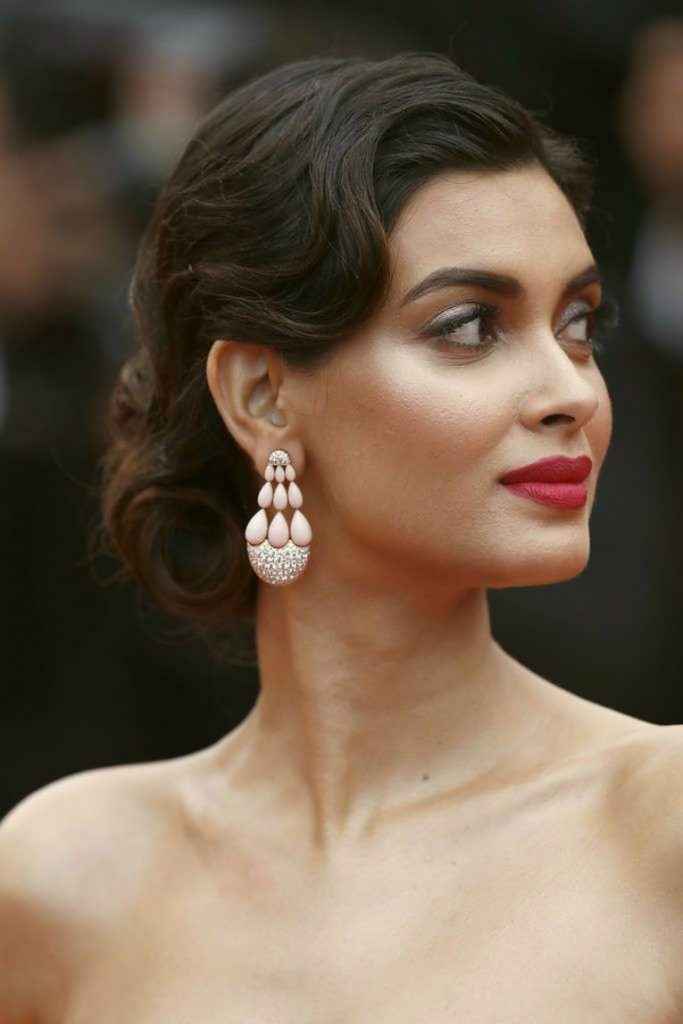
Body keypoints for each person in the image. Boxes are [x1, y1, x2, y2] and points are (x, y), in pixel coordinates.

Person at [1, 52, 682, 1020]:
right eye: (468, 326)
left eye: (577, 325)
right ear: (261, 396)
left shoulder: (657, 831)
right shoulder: (66, 877)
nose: (570, 391)